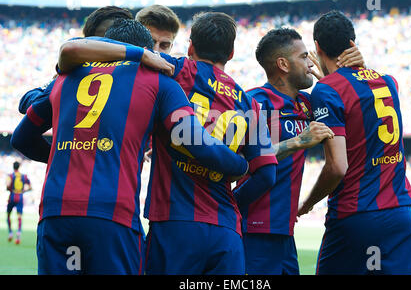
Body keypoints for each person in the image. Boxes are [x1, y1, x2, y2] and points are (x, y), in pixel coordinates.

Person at [11, 18, 249, 275]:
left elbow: (21, 138)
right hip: (113, 214)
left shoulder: (66, 78)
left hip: (55, 212)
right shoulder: (160, 83)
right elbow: (195, 141)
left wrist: (73, 155)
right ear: (147, 52)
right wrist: (239, 165)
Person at [60, 11, 279, 275]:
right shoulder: (252, 104)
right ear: (231, 53)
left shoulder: (174, 70)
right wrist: (232, 201)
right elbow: (267, 174)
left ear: (190, 47)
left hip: (174, 222)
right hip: (227, 231)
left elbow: (106, 56)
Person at [297, 10, 411, 275]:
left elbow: (337, 167)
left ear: (317, 47)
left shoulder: (327, 90)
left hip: (356, 215)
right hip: (401, 214)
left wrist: (307, 203)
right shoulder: (390, 82)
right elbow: (361, 93)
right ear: (353, 44)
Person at [235, 27, 364, 275]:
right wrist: (296, 142)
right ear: (283, 64)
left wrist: (344, 71)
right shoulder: (254, 102)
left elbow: (351, 102)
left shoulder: (307, 104)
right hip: (253, 230)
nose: (310, 63)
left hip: (285, 232)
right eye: (303, 57)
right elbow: (238, 162)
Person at [18, 6, 134, 115]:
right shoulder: (76, 73)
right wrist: (57, 85)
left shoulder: (138, 72)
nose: (112, 45)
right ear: (88, 43)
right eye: (103, 40)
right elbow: (26, 102)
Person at [135, 5, 182, 161]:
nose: (156, 51)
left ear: (171, 47)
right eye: (151, 42)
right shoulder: (115, 70)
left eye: (164, 45)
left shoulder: (173, 82)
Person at [6, 161, 31, 245]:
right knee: (19, 216)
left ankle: (10, 233)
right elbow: (29, 186)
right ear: (19, 167)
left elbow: (8, 185)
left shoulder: (10, 176)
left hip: (12, 196)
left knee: (8, 215)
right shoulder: (24, 176)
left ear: (13, 167)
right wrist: (23, 190)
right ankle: (18, 235)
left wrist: (9, 188)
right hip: (20, 196)